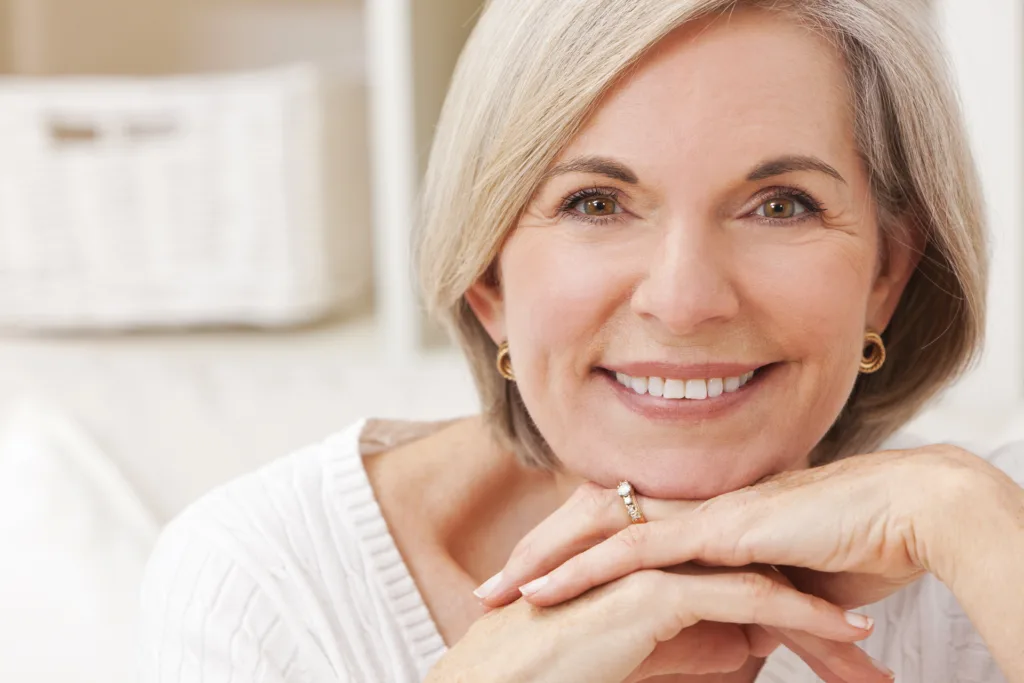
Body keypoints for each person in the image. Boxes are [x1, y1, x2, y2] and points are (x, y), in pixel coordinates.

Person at [138, 1, 1024, 681]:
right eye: (595, 204)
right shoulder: (265, 586)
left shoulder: (981, 549)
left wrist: (973, 519)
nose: (683, 302)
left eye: (780, 204)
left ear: (886, 276)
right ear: (487, 279)